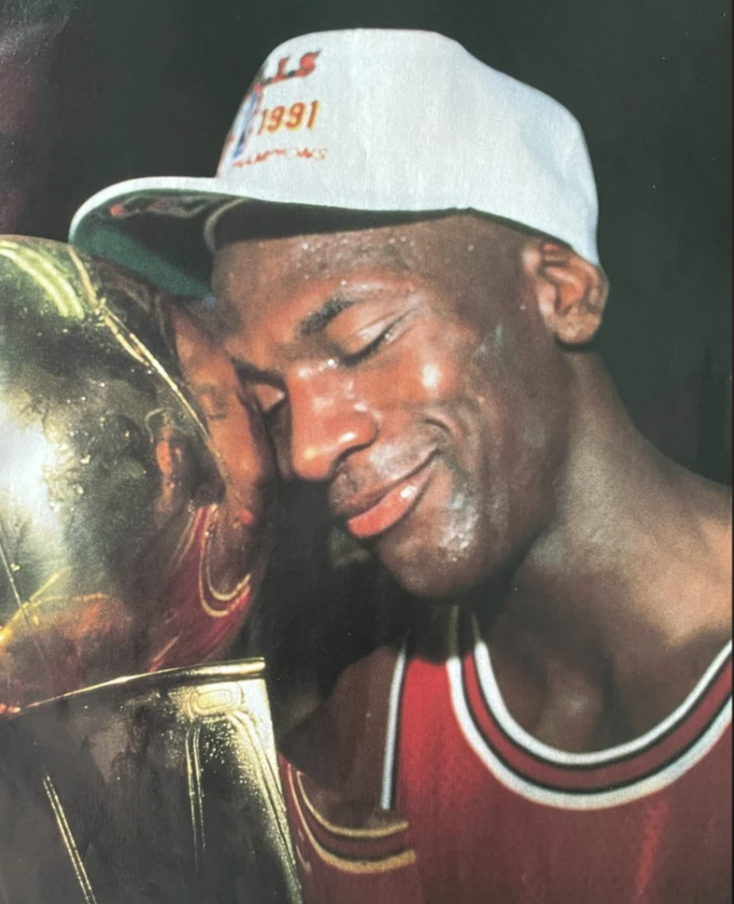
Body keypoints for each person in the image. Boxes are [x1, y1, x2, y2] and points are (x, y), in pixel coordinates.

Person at [68, 29, 731, 904]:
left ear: (563, 289)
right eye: (269, 399)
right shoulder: (366, 736)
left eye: (361, 341)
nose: (308, 449)